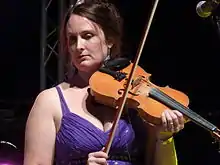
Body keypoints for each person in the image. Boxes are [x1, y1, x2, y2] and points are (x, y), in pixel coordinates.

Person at [23, 0, 185, 165]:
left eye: (87, 36)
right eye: (72, 39)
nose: (79, 46)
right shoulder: (50, 101)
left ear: (110, 40)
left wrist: (165, 138)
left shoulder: (135, 98)